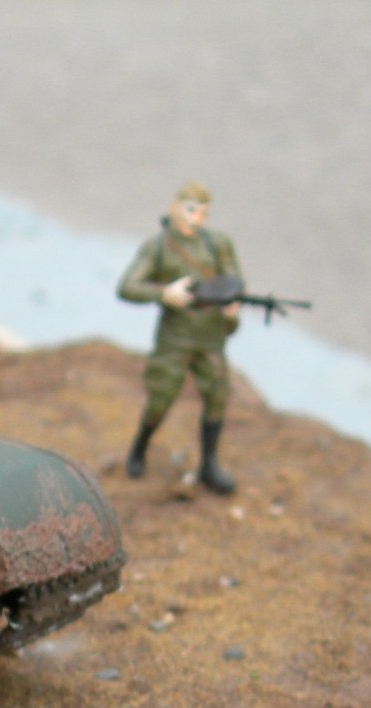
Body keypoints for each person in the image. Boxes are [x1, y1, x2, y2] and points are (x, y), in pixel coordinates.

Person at [117, 182, 243, 494]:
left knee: (217, 396)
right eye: (190, 210)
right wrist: (164, 293)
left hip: (210, 336)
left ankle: (209, 464)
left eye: (203, 213)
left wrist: (232, 307)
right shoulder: (159, 247)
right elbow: (127, 286)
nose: (196, 218)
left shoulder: (218, 244)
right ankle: (140, 446)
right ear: (173, 208)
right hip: (175, 338)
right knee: (161, 398)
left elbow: (233, 281)